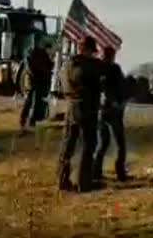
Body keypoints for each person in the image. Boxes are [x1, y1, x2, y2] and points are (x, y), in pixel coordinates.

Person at [56, 36, 103, 192]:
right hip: (87, 108)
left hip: (72, 106)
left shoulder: (67, 64)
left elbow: (63, 84)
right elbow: (96, 83)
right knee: (89, 145)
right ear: (87, 50)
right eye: (92, 51)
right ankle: (84, 182)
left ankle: (62, 180)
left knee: (68, 144)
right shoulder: (89, 66)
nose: (93, 54)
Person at [93, 46, 131, 182]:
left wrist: (122, 100)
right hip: (107, 110)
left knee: (106, 143)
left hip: (109, 110)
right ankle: (115, 172)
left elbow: (121, 86)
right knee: (113, 143)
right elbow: (103, 88)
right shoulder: (103, 68)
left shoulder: (113, 68)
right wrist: (115, 101)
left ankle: (100, 172)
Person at [19, 38, 54, 135]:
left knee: (38, 102)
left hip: (41, 81)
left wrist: (50, 64)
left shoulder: (42, 53)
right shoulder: (31, 52)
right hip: (33, 80)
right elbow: (30, 67)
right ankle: (24, 121)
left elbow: (49, 65)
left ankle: (32, 122)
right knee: (30, 101)